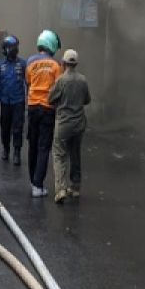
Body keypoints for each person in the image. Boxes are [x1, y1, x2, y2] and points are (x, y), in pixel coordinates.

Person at [49, 50, 91, 204]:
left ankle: (60, 189)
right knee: (75, 154)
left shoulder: (61, 80)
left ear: (64, 63)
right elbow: (87, 100)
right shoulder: (83, 80)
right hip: (79, 123)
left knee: (59, 155)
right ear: (76, 63)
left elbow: (50, 98)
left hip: (63, 123)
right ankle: (75, 187)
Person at [25, 30, 62, 198]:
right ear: (52, 46)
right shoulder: (55, 66)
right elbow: (58, 87)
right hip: (47, 109)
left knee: (32, 144)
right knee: (43, 147)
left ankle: (33, 180)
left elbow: (28, 81)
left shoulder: (30, 62)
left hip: (32, 107)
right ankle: (38, 186)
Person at [0, 35, 27, 165]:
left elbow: (28, 82)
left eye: (15, 46)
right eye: (11, 47)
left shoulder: (23, 63)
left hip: (18, 100)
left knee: (18, 128)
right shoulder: (0, 64)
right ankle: (6, 149)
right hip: (5, 101)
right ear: (5, 49)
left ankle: (17, 152)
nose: (14, 49)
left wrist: (28, 97)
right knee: (5, 127)